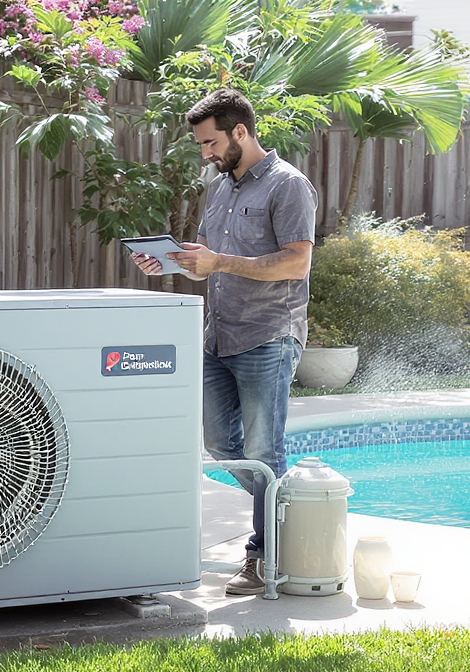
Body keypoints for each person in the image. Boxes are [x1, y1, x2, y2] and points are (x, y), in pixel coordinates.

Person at [130, 88, 317, 596]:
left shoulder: (288, 186)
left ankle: (265, 556)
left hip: (268, 335)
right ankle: (289, 518)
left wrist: (218, 262)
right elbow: (208, 266)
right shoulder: (219, 189)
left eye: (211, 142)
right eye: (201, 145)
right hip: (219, 336)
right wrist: (173, 263)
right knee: (220, 445)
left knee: (262, 447)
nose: (206, 154)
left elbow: (295, 263)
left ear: (240, 131)